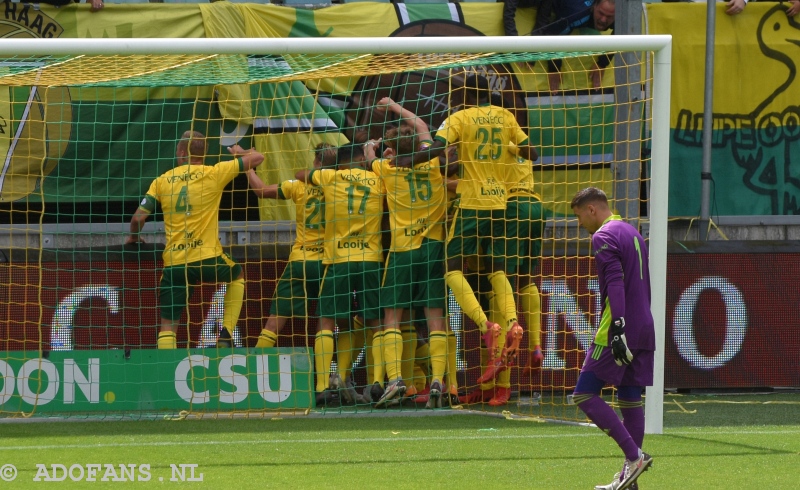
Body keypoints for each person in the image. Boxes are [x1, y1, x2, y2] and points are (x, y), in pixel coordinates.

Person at [395, 73, 539, 383]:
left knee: (452, 268)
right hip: (501, 204)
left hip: (472, 203)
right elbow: (533, 153)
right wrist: (508, 152)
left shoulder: (458, 117)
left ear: (462, 95)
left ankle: (486, 326)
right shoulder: (506, 115)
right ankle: (514, 323)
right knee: (498, 269)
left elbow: (436, 149)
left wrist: (408, 161)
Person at [126, 131, 264, 349]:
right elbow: (259, 158)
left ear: (181, 152)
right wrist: (241, 153)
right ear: (205, 153)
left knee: (168, 326)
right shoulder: (215, 172)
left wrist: (134, 237)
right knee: (237, 275)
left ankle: (165, 375)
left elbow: (137, 219)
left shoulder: (162, 181)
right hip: (208, 258)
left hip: (176, 263)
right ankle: (226, 334)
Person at [569, 187, 654, 490]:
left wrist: (617, 327)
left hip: (618, 328)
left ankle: (634, 456)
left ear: (592, 209)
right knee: (630, 398)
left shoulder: (603, 236)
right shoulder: (632, 232)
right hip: (644, 325)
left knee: (584, 394)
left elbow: (615, 283)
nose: (580, 224)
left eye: (580, 216)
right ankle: (629, 479)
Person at [366, 97, 448, 408]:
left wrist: (375, 147)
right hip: (433, 247)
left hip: (401, 249)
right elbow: (422, 125)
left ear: (392, 150)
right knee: (435, 317)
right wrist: (395, 106)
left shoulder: (386, 169)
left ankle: (396, 379)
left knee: (392, 317)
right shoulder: (432, 159)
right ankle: (438, 379)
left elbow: (367, 155)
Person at [296, 144, 385, 405]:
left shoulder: (330, 177)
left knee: (327, 320)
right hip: (370, 259)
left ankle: (323, 386)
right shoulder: (378, 177)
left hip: (338, 259)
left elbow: (303, 174)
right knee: (376, 322)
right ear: (360, 159)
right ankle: (377, 382)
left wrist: (324, 168)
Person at [244, 143, 336, 349]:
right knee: (330, 323)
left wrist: (248, 168)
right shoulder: (341, 186)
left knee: (274, 321)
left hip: (300, 261)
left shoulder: (298, 185)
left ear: (317, 162)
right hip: (330, 262)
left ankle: (255, 370)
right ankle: (335, 378)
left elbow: (260, 190)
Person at [505, 0, 615, 93]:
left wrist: (603, 63)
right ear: (594, 7)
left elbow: (623, 32)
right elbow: (550, 34)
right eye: (601, 13)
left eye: (609, 16)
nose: (603, 19)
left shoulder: (622, 15)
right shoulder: (575, 14)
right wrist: (554, 68)